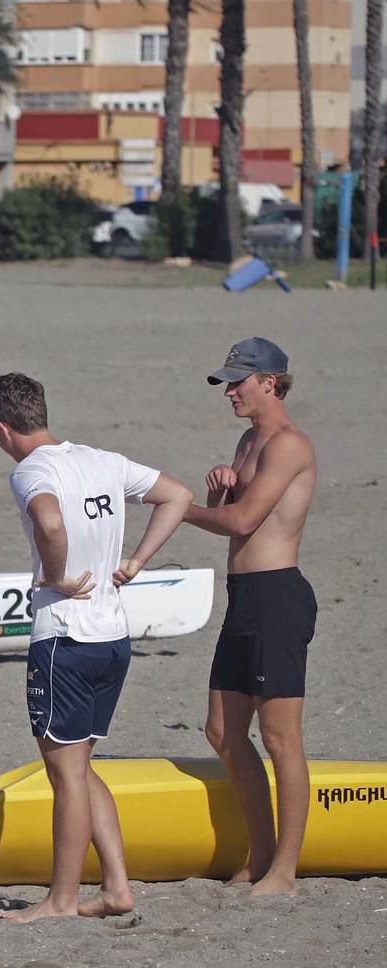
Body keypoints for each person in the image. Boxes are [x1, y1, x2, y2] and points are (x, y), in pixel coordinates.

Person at [0, 373, 191, 923]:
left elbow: (49, 520)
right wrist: (137, 561)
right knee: (82, 767)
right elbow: (179, 495)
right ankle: (116, 887)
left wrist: (54, 576)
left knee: (65, 774)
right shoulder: (103, 460)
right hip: (112, 639)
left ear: (3, 429)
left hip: (64, 641)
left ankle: (62, 899)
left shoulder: (31, 470)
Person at [183, 338, 317, 897]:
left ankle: (284, 870)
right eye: (226, 382)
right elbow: (232, 520)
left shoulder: (288, 445)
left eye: (238, 381)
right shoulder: (245, 441)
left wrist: (176, 507)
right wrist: (214, 500)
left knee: (281, 738)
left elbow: (243, 523)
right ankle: (260, 855)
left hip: (277, 598)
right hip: (244, 596)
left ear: (270, 381)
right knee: (221, 730)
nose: (230, 391)